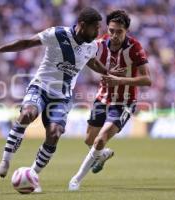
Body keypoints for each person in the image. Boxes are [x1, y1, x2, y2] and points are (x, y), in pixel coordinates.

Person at [0, 7, 118, 193]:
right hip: (40, 87)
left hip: (62, 98)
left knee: (54, 134)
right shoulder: (57, 33)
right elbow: (26, 43)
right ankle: (4, 163)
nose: (98, 32)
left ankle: (33, 175)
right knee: (27, 115)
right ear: (82, 25)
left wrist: (107, 73)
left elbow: (91, 61)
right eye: (95, 28)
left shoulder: (92, 46)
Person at [68, 10, 152, 191]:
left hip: (124, 102)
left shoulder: (135, 48)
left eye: (119, 32)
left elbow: (147, 79)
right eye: (112, 30)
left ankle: (76, 179)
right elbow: (84, 56)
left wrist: (120, 80)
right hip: (102, 97)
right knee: (89, 140)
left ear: (126, 31)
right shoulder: (99, 44)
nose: (114, 35)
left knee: (100, 139)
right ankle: (103, 154)